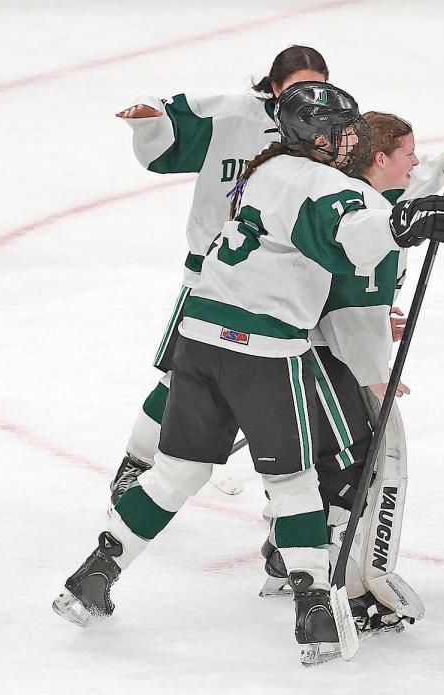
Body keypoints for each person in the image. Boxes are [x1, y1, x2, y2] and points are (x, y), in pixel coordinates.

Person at [52, 82, 444, 665]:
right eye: (345, 130)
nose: (353, 139)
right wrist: (404, 228)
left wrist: (405, 215)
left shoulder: (268, 170)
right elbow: (349, 235)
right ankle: (314, 612)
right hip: (263, 352)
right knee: (294, 483)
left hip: (198, 338)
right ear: (319, 135)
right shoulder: (326, 184)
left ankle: (93, 575)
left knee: (175, 474)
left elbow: (334, 229)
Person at [257, 111, 444, 637]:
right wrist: (372, 371)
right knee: (355, 472)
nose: (415, 160)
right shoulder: (368, 214)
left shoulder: (351, 198)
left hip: (296, 350)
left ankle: (284, 554)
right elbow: (353, 307)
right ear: (379, 158)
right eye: (409, 153)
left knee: (319, 465)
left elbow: (390, 214)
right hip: (327, 357)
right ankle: (343, 592)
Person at [111, 45, 329, 500]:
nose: (308, 98)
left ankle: (287, 501)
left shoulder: (331, 129)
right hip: (215, 277)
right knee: (180, 377)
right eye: (297, 88)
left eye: (318, 87)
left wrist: (434, 170)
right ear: (273, 88)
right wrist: (153, 120)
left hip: (279, 286)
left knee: (284, 385)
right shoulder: (232, 116)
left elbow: (374, 168)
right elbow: (167, 135)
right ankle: (136, 465)